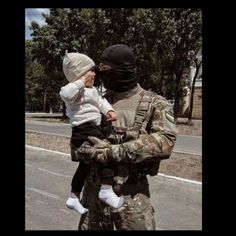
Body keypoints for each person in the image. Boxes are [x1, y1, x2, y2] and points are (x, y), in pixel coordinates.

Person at [74, 44, 177, 230]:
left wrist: (115, 151)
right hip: (93, 196)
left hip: (132, 197)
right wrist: (85, 150)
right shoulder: (98, 100)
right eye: (100, 70)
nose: (102, 76)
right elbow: (78, 140)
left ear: (124, 70)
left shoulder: (155, 102)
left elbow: (166, 141)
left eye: (106, 70)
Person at [59, 51, 124, 214]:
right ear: (79, 74)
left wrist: (110, 111)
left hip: (93, 128)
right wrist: (81, 82)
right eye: (90, 71)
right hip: (83, 129)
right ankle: (106, 190)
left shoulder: (93, 90)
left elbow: (101, 102)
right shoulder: (74, 90)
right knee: (106, 154)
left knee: (85, 165)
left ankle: (73, 197)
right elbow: (65, 94)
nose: (94, 74)